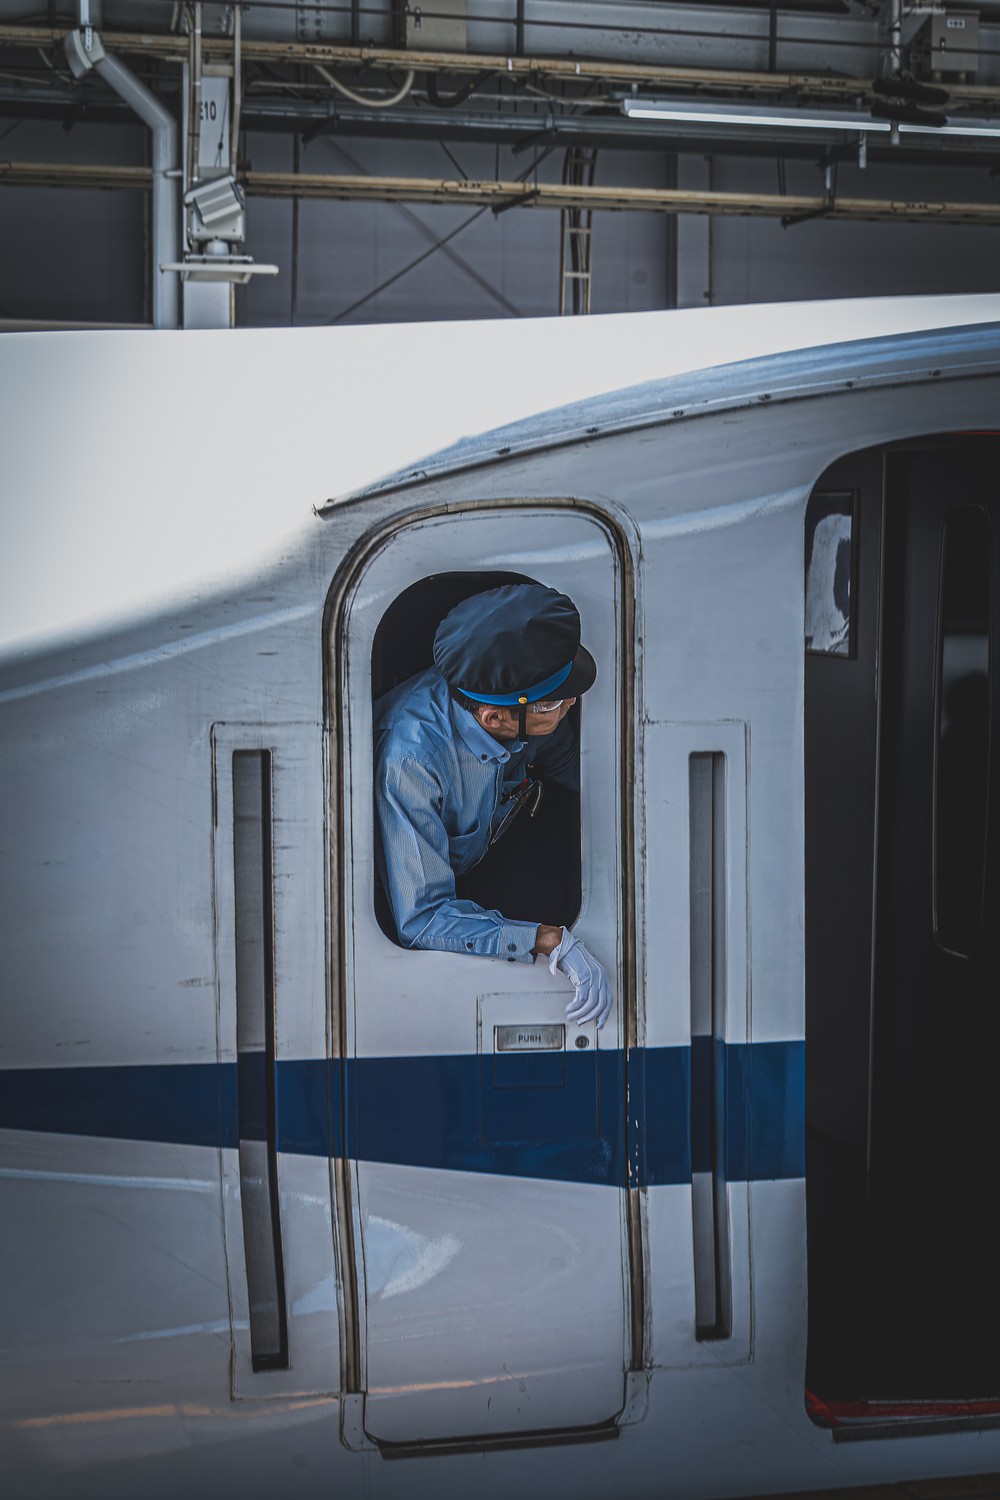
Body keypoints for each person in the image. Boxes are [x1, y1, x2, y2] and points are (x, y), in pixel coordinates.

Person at [373, 583, 613, 1029]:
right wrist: (549, 940)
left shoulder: (528, 714)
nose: (571, 703)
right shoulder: (412, 761)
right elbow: (422, 918)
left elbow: (576, 769)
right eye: (553, 701)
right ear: (495, 718)